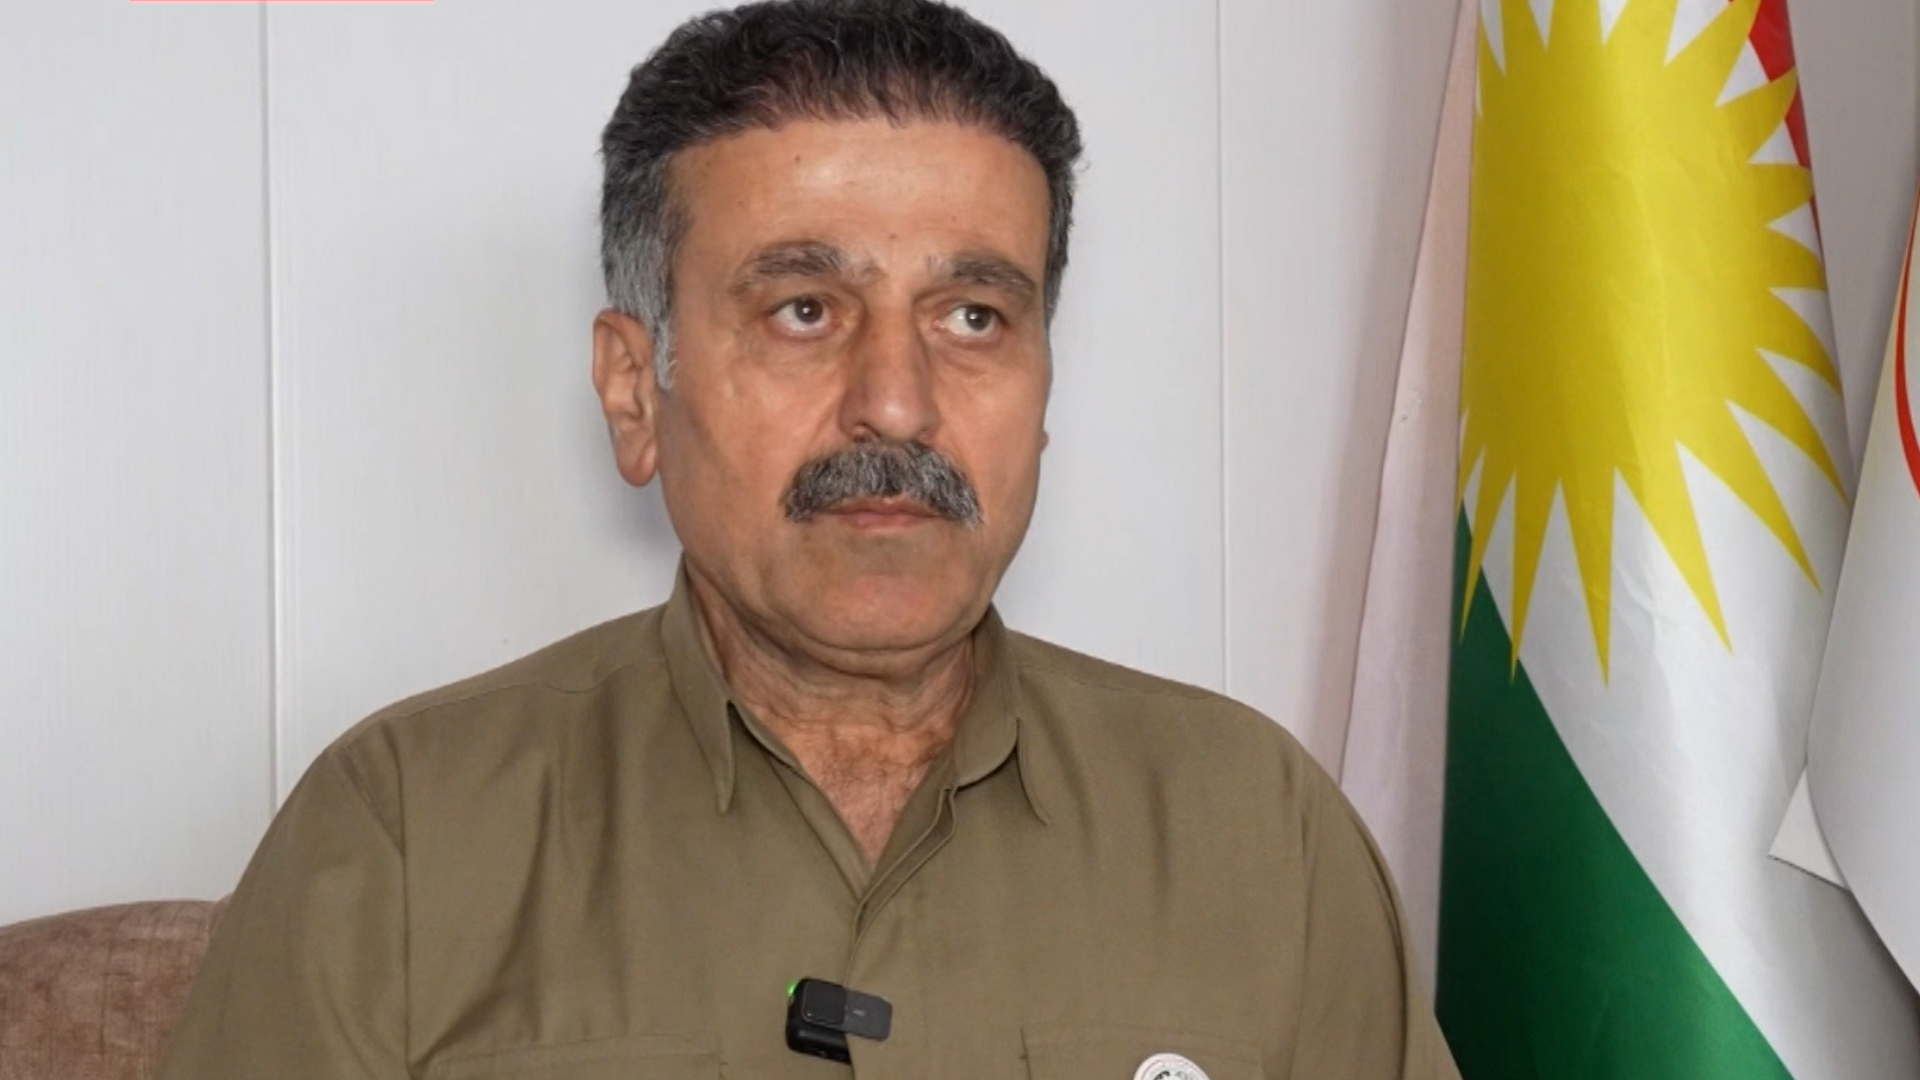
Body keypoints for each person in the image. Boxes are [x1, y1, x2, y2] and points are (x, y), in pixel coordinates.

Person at [157, 2, 1459, 1078]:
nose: (896, 402)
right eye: (802, 309)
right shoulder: (405, 840)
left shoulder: (1258, 833)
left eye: (972, 317)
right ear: (635, 391)